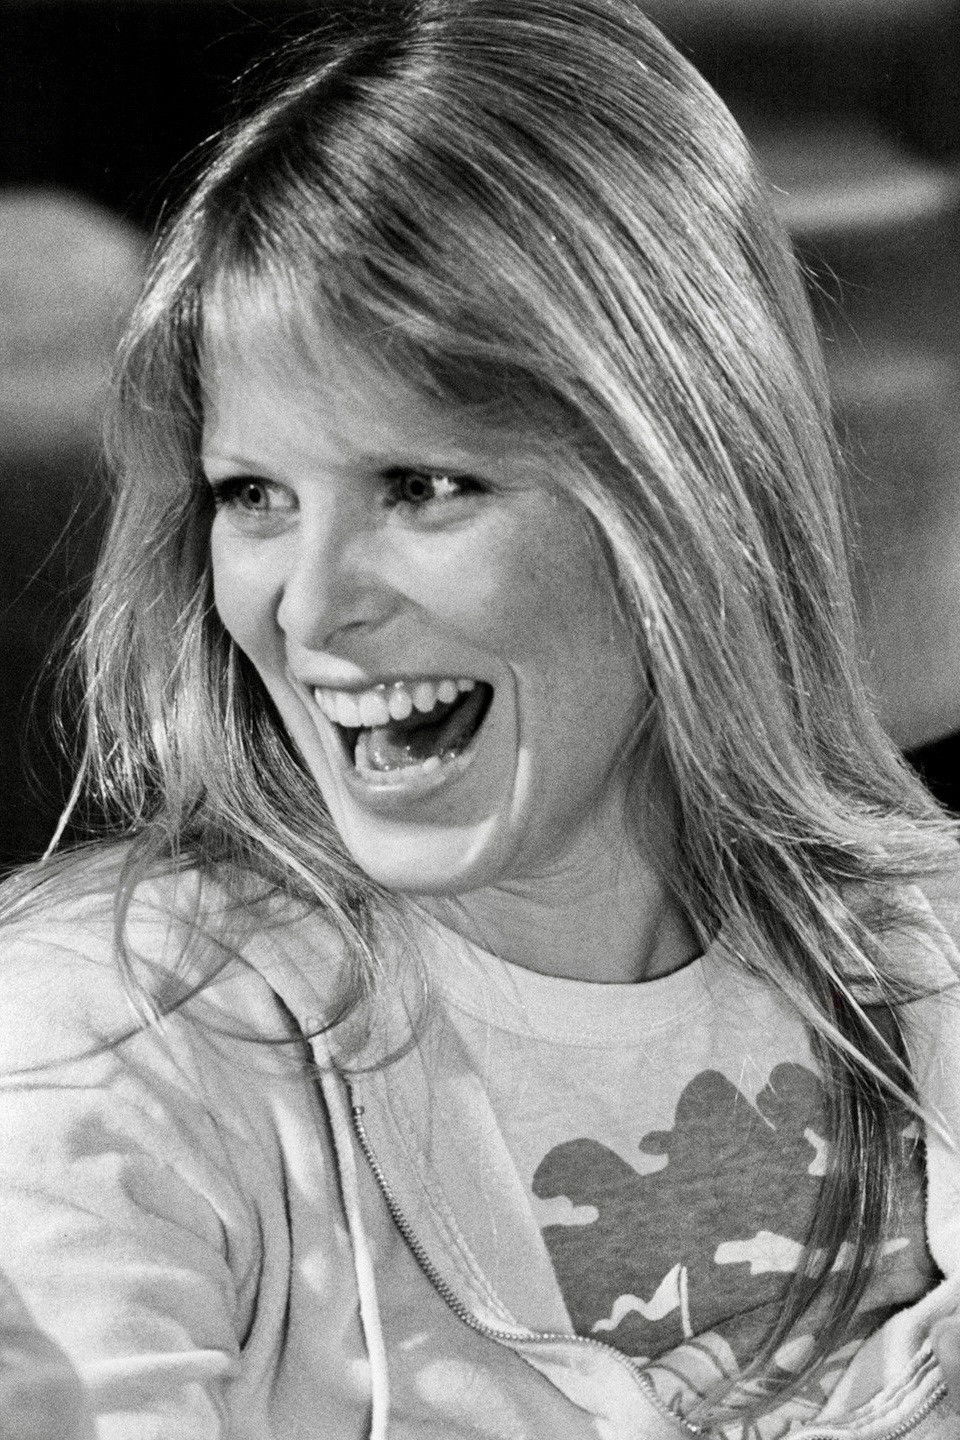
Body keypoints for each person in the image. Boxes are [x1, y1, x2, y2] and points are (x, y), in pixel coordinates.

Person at [0, 1, 959, 1436]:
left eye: (425, 487)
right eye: (253, 495)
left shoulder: (927, 941)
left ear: (688, 488)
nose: (311, 606)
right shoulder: (97, 1041)